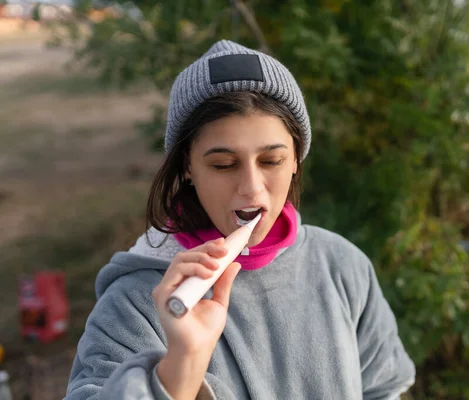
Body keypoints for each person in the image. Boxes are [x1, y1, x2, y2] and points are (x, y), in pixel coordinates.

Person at [65, 39, 416, 400]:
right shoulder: (134, 303)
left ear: (296, 160)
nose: (251, 188)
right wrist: (180, 369)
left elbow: (384, 389)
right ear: (187, 167)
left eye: (271, 161)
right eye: (223, 165)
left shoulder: (342, 265)